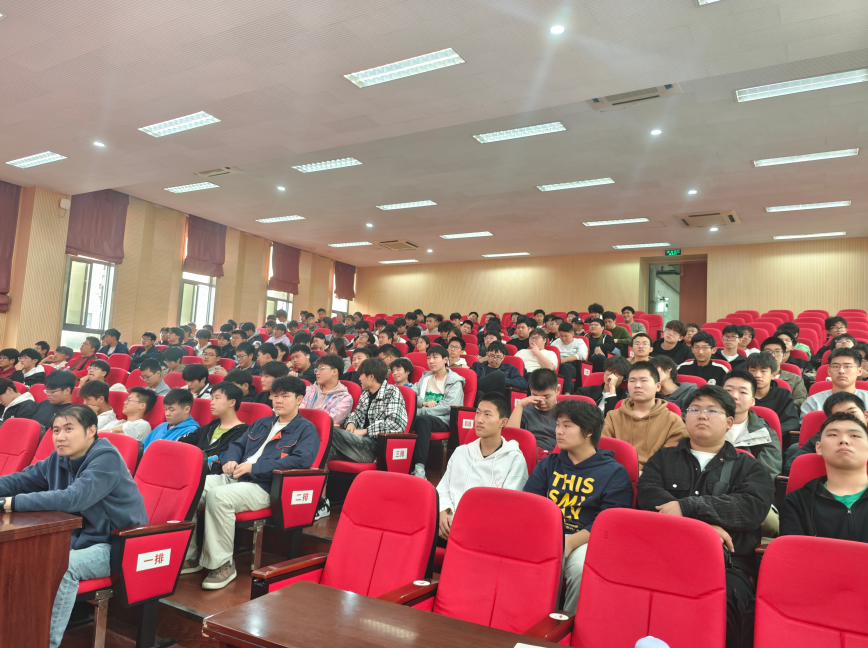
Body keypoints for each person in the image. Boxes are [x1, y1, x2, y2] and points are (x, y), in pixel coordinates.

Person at [637, 386, 774, 648]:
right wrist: (704, 528)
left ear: (729, 422)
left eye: (712, 410)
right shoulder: (663, 458)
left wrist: (688, 507)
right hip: (664, 555)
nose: (702, 415)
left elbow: (751, 508)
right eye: (695, 409)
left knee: (723, 609)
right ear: (685, 417)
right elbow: (647, 495)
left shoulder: (750, 467)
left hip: (727, 566)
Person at [0, 405, 147, 648]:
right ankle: (15, 633)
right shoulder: (59, 458)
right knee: (19, 553)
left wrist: (8, 503)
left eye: (69, 429)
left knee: (63, 566)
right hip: (76, 538)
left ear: (91, 430)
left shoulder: (106, 458)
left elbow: (74, 498)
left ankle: (44, 643)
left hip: (116, 544)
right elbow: (21, 481)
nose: (60, 436)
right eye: (56, 430)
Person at [182, 376, 319, 589]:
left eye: (285, 396)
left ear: (299, 399)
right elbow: (237, 445)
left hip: (265, 485)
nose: (278, 400)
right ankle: (190, 556)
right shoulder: (262, 423)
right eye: (275, 395)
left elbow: (300, 461)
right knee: (189, 490)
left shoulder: (306, 429)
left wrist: (254, 468)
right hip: (236, 476)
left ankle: (223, 564)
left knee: (218, 496)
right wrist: (230, 460)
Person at [524, 399, 633, 614]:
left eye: (567, 425)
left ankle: (568, 623)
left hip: (585, 539)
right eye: (558, 425)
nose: (559, 431)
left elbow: (608, 522)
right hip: (547, 534)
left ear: (589, 431)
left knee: (581, 569)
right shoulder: (548, 464)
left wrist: (570, 542)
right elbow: (530, 506)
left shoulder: (614, 472)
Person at [321, 358, 408, 517]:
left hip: (374, 448)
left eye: (361, 374)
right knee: (321, 450)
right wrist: (351, 423)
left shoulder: (392, 392)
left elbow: (396, 424)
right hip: (356, 443)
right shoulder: (366, 394)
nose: (359, 378)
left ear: (371, 376)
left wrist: (365, 431)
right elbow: (355, 414)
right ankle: (322, 502)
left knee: (326, 429)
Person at [438, 393, 528, 542]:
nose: (479, 420)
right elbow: (443, 489)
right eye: (478, 413)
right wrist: (443, 512)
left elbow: (509, 505)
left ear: (503, 422)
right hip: (448, 526)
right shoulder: (461, 452)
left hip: (485, 532)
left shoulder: (514, 459)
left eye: (487, 414)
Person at [780, 412, 868, 541]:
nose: (844, 440)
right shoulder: (797, 503)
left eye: (854, 435)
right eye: (833, 435)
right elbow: (794, 552)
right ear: (818, 447)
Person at [601, 361, 687, 469]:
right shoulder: (612, 417)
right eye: (632, 381)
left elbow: (672, 458)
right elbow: (604, 450)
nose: (637, 385)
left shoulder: (673, 420)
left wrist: (645, 473)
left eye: (643, 380)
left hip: (655, 475)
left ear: (658, 386)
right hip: (617, 472)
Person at [411, 346, 466, 479]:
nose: (431, 361)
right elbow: (412, 395)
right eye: (429, 358)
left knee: (422, 420)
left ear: (445, 359)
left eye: (435, 357)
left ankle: (419, 468)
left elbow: (448, 406)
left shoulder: (454, 381)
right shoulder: (425, 378)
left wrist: (421, 411)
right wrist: (423, 402)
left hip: (444, 419)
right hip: (424, 415)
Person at [722, 371, 783, 481]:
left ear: (752, 401)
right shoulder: (705, 426)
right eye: (728, 391)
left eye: (743, 392)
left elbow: (764, 477)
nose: (734, 396)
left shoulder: (766, 435)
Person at [178, 383, 248, 472]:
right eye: (212, 398)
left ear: (232, 403)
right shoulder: (212, 425)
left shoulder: (242, 432)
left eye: (217, 398)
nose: (212, 402)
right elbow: (187, 440)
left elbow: (220, 458)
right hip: (191, 468)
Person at [507, 369, 559, 460]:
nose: (541, 401)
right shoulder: (523, 411)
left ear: (557, 390)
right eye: (535, 396)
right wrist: (519, 405)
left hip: (553, 457)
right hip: (527, 455)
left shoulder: (566, 412)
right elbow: (510, 439)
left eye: (546, 397)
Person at [745, 353, 800, 434]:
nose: (757, 375)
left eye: (763, 371)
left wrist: (766, 432)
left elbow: (792, 422)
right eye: (752, 370)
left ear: (773, 375)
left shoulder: (783, 395)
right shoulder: (740, 394)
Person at [301, 355, 353, 427]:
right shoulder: (309, 390)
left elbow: (327, 422)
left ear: (334, 371)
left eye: (321, 369)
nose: (317, 373)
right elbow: (297, 413)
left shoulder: (344, 398)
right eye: (317, 369)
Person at [759, 337, 807, 407]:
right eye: (768, 351)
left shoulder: (795, 379)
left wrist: (783, 407)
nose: (773, 355)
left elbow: (801, 400)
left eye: (777, 351)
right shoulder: (752, 377)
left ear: (784, 355)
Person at [552, 322, 588, 390]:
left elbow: (583, 355)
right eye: (561, 336)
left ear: (572, 334)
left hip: (574, 365)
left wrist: (565, 359)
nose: (563, 338)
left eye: (566, 336)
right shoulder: (555, 343)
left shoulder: (579, 342)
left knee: (565, 367)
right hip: (558, 364)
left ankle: (567, 392)